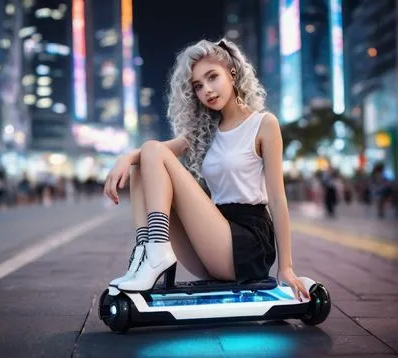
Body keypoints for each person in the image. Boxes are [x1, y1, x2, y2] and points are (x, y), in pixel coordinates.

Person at [103, 39, 309, 301]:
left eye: (213, 77)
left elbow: (278, 200)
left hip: (247, 243)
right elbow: (148, 154)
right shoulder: (206, 130)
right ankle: (146, 251)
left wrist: (286, 268)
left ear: (232, 74)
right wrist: (125, 158)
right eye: (198, 86)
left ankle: (155, 252)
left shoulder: (263, 124)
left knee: (151, 151)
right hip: (213, 237)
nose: (207, 90)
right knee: (142, 165)